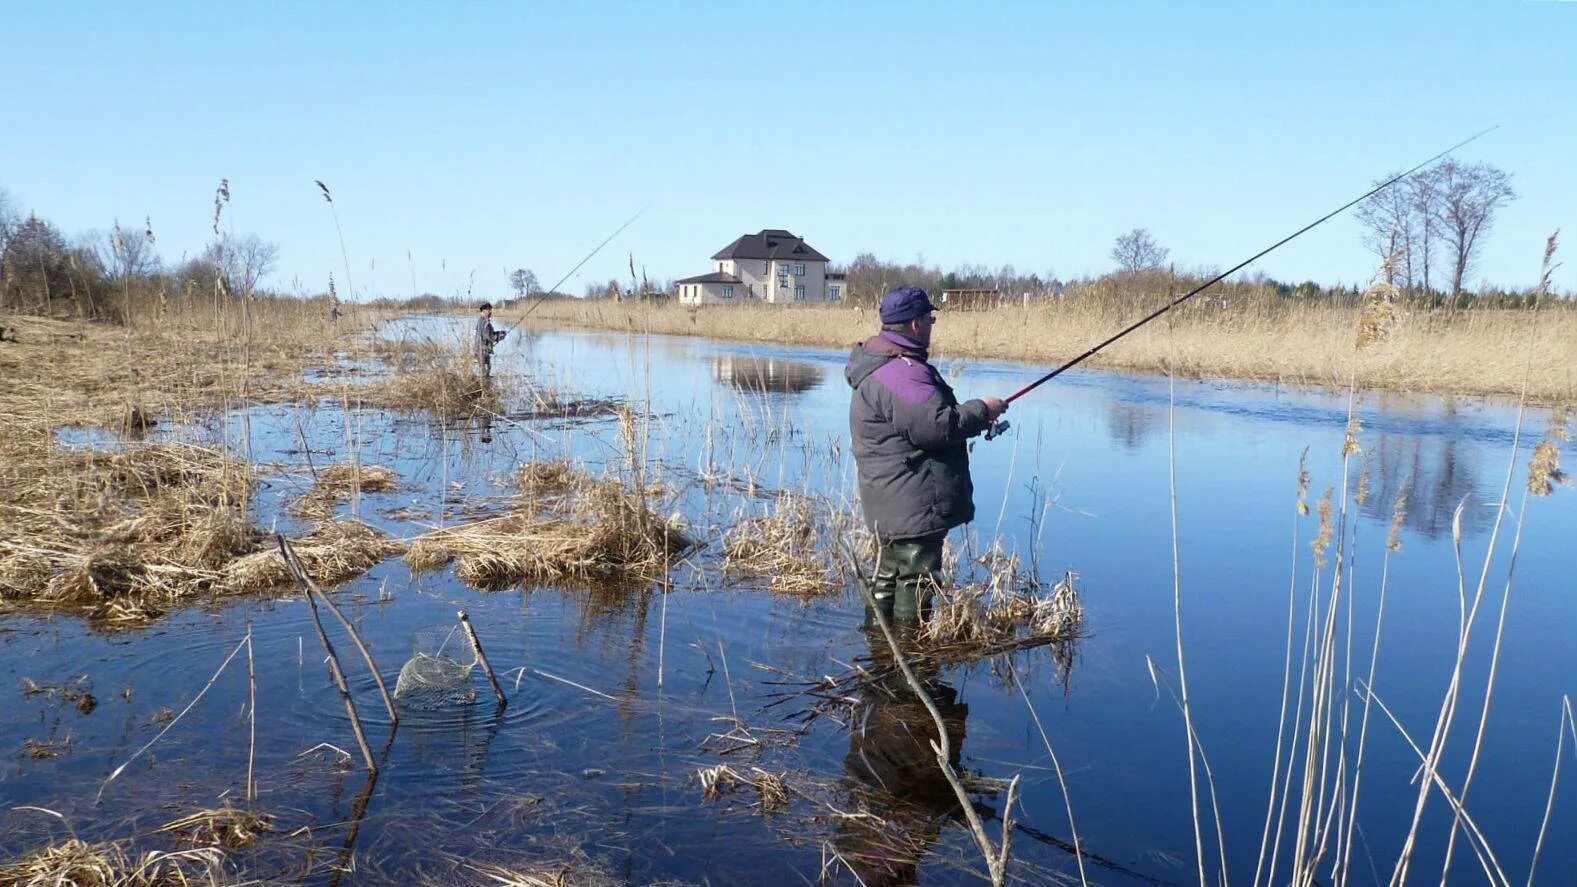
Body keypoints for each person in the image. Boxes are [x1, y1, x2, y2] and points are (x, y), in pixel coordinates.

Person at [845, 286, 1007, 624]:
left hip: (892, 496)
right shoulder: (902, 372)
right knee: (916, 579)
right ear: (915, 324)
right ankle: (911, 659)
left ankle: (881, 651)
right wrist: (982, 409)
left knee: (888, 574)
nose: (932, 324)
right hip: (913, 499)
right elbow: (936, 428)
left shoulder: (881, 364)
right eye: (929, 318)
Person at [474, 302, 507, 383]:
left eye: (491, 310)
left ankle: (485, 385)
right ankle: (484, 386)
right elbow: (487, 336)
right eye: (489, 310)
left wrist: (499, 333)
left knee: (487, 369)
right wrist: (499, 336)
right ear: (484, 311)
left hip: (483, 349)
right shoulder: (484, 322)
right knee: (484, 371)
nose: (491, 312)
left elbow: (488, 334)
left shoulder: (482, 320)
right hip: (482, 350)